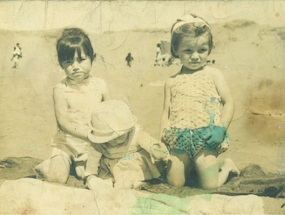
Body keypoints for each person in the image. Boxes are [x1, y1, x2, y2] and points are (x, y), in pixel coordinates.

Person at [160, 14, 239, 189]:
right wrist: (163, 139)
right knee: (175, 183)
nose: (195, 56)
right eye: (188, 51)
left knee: (210, 186)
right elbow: (166, 112)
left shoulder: (213, 75)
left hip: (206, 138)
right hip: (178, 139)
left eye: (202, 50)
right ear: (175, 50)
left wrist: (221, 129)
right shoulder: (171, 81)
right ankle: (191, 167)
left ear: (209, 48)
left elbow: (229, 102)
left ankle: (226, 166)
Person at [34, 28, 111, 188]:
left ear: (92, 58)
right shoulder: (61, 89)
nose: (75, 66)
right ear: (61, 64)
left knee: (88, 173)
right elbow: (63, 123)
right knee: (57, 177)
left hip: (93, 144)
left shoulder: (101, 85)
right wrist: (87, 134)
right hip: (67, 145)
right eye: (69, 62)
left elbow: (110, 112)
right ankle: (47, 166)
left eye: (81, 59)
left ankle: (79, 166)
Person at [86, 100, 169, 190]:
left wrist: (157, 150)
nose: (114, 140)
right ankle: (109, 184)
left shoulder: (136, 134)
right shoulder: (100, 142)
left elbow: (149, 143)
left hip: (133, 165)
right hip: (112, 168)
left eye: (118, 136)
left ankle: (135, 183)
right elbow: (92, 159)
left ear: (128, 129)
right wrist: (91, 175)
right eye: (109, 139)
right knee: (104, 180)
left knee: (134, 173)